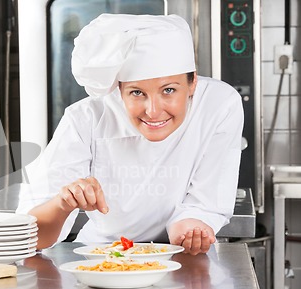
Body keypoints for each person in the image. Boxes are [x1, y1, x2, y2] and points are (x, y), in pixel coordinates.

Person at [16, 14, 244, 255]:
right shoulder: (86, 118)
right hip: (101, 256)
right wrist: (61, 204)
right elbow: (30, 236)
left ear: (192, 83)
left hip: (182, 256)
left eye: (168, 90)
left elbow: (205, 201)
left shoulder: (219, 105)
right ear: (119, 90)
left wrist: (188, 229)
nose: (154, 111)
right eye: (137, 93)